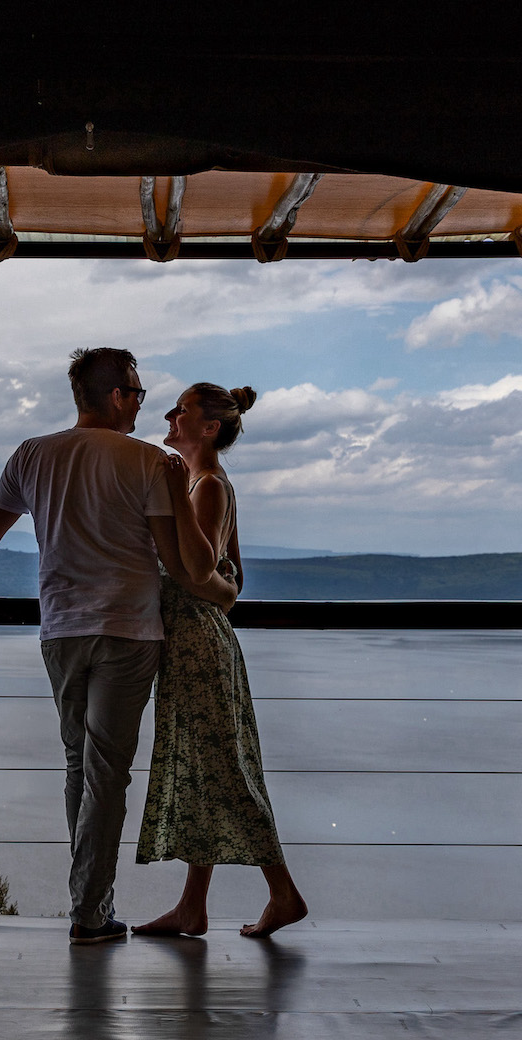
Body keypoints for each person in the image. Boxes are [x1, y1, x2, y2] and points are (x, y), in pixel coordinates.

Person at [0, 348, 229, 944]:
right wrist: (222, 586)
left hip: (62, 629)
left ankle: (89, 904)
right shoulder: (152, 462)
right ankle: (89, 913)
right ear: (120, 396)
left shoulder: (32, 454)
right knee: (106, 773)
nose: (142, 405)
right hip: (129, 630)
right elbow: (179, 562)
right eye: (140, 394)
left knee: (79, 765)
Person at [133, 383, 309, 939]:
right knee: (206, 771)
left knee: (225, 771)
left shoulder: (205, 486)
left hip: (197, 645)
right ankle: (193, 907)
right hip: (194, 641)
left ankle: (284, 894)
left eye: (179, 410)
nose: (168, 414)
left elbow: (202, 571)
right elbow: (233, 575)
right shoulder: (200, 482)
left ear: (208, 427)